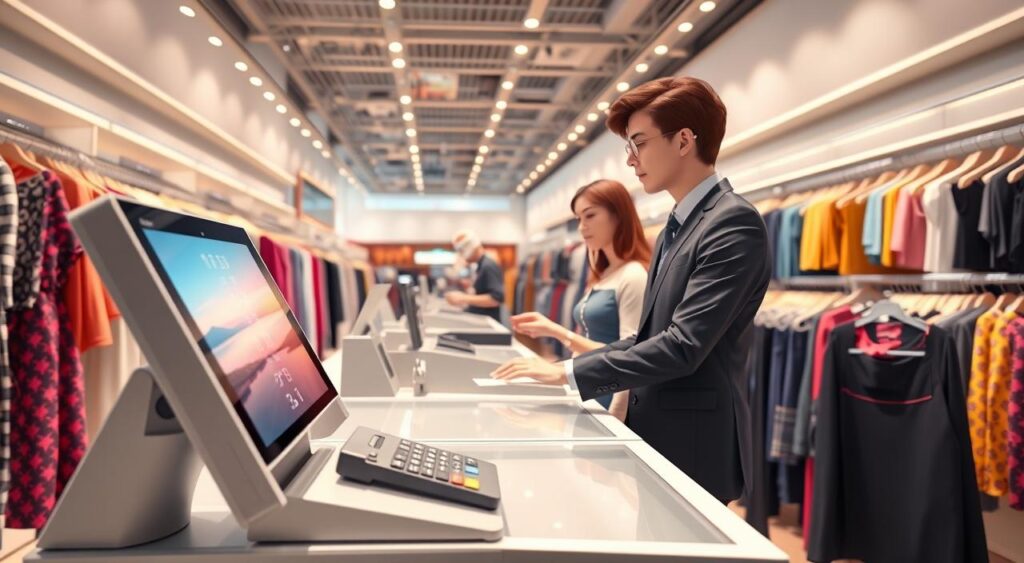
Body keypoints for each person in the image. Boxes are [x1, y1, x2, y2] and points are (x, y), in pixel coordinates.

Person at [492, 76, 771, 504]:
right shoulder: (675, 229)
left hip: (694, 441)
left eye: (638, 144)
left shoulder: (733, 223)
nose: (631, 160)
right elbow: (644, 340)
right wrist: (565, 372)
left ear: (683, 140)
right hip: (662, 431)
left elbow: (683, 346)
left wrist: (567, 373)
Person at [508, 179, 650, 420]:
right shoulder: (604, 274)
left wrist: (560, 335)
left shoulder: (633, 275)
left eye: (590, 216)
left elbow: (631, 356)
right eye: (578, 219)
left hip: (608, 396)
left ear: (618, 214)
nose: (582, 227)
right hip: (589, 388)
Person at [445, 230, 504, 323]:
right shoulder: (480, 266)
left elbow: (496, 299)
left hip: (487, 326)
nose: (460, 255)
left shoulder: (488, 266)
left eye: (461, 251)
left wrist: (463, 298)